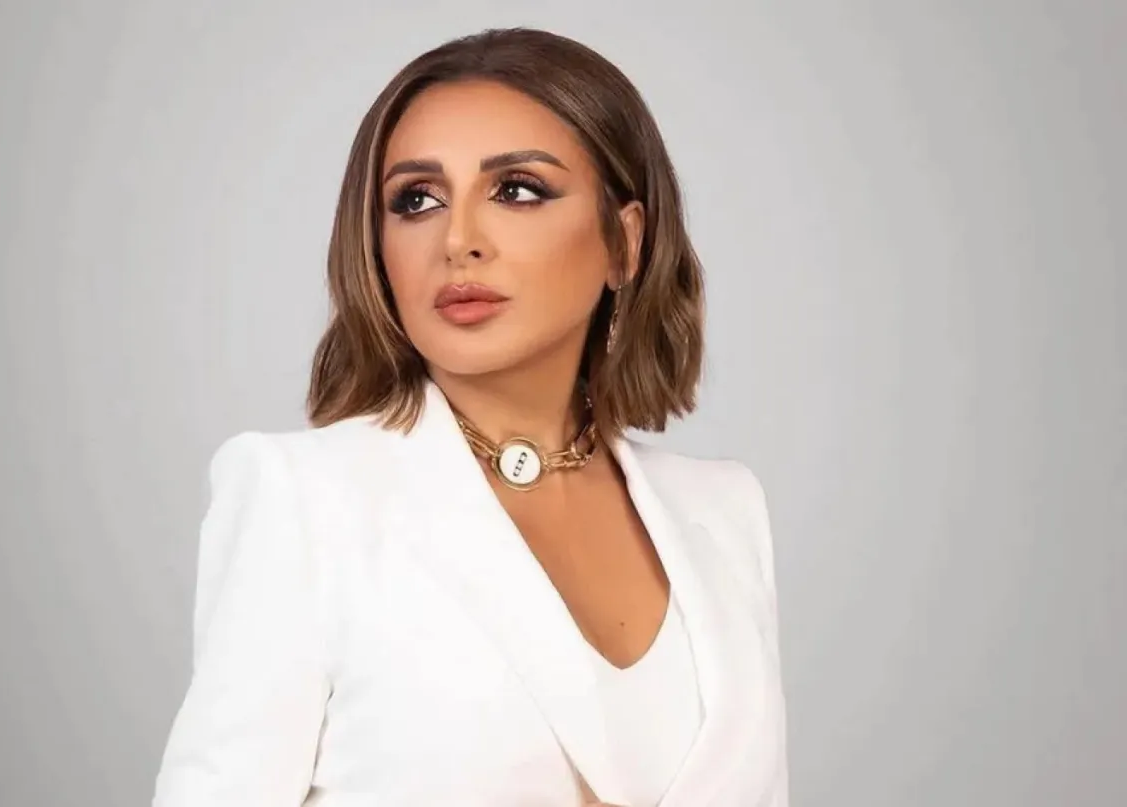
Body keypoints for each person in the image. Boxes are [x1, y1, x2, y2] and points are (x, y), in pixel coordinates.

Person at [151, 26, 788, 807]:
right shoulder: (302, 499)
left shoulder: (725, 512)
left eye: (517, 189)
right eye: (416, 200)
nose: (457, 241)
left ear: (624, 243)